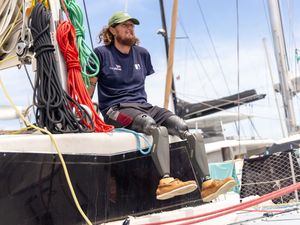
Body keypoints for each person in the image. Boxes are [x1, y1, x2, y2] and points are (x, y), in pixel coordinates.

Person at [88, 11, 236, 201]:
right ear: (112, 30)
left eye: (131, 25)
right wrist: (83, 110)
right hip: (115, 109)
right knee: (152, 127)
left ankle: (207, 184)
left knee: (184, 127)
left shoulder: (142, 54)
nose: (129, 28)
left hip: (143, 106)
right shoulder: (101, 54)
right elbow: (89, 86)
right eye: (124, 25)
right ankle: (166, 182)